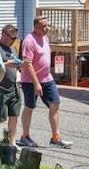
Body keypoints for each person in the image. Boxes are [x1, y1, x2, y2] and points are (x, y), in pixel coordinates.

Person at [18, 16, 73, 149]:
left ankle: (56, 137)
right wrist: (36, 83)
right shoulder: (29, 41)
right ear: (36, 27)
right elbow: (28, 64)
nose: (47, 28)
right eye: (43, 26)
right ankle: (25, 136)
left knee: (55, 103)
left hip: (47, 78)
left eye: (47, 25)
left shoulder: (45, 37)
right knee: (30, 107)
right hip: (30, 80)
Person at [0, 24, 24, 144]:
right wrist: (7, 64)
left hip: (14, 87)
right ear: (3, 35)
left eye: (15, 38)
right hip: (1, 87)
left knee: (14, 116)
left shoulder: (13, 49)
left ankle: (12, 142)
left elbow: (15, 65)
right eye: (12, 38)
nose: (13, 41)